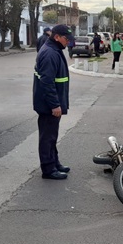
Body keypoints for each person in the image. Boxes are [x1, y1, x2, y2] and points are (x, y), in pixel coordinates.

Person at [33, 24, 72, 180]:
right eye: (66, 39)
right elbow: (47, 83)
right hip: (48, 106)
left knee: (52, 136)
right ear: (56, 37)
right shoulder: (50, 53)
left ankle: (54, 163)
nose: (68, 42)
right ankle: (48, 169)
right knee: (47, 137)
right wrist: (55, 105)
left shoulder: (54, 49)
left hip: (51, 104)